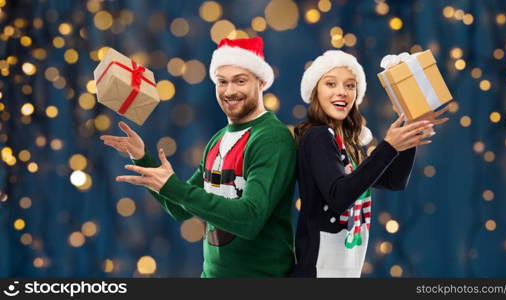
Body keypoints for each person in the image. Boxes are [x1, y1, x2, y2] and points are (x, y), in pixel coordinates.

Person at [100, 37, 296, 277]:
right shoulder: (219, 139)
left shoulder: (271, 139)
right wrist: (142, 158)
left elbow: (249, 219)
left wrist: (174, 187)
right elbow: (180, 208)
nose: (230, 91)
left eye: (240, 81)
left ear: (261, 82)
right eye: (222, 82)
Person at [290, 50, 449, 277]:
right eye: (330, 84)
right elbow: (338, 197)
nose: (341, 92)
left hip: (344, 268)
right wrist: (389, 146)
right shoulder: (318, 136)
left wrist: (408, 132)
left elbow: (394, 181)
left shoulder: (347, 142)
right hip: (318, 269)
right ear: (315, 91)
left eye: (350, 85)